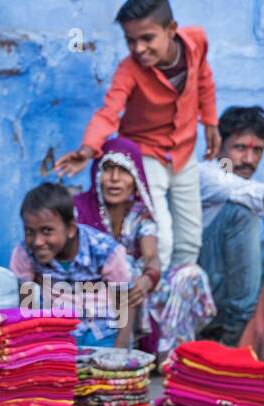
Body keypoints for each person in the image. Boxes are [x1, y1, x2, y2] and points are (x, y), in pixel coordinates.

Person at [54, 0, 219, 272]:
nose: (139, 49)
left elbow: (204, 79)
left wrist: (210, 122)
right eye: (131, 41)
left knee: (190, 238)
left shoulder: (196, 42)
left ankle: (175, 300)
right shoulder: (129, 70)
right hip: (145, 155)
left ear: (171, 29)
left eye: (147, 38)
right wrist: (87, 150)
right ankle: (150, 301)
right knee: (160, 238)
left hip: (184, 151)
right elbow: (109, 112)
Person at [74, 136, 216, 360]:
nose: (114, 179)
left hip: (134, 291)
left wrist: (148, 279)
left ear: (135, 178)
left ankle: (170, 356)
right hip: (90, 290)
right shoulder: (79, 209)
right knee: (125, 265)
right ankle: (122, 349)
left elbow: (151, 256)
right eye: (108, 169)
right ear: (97, 173)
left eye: (123, 172)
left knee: (190, 274)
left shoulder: (140, 213)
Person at [10, 183, 133, 348]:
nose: (37, 241)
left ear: (70, 229)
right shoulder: (25, 253)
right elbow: (28, 308)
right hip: (56, 333)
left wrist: (120, 348)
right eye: (29, 231)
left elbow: (125, 300)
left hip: (101, 333)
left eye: (47, 231)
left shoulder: (104, 250)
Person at [197, 106, 264, 347]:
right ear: (219, 143)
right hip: (200, 292)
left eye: (257, 150)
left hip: (228, 293)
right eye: (240, 148)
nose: (249, 159)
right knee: (241, 215)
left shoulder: (246, 181)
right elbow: (256, 195)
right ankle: (234, 336)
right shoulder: (207, 174)